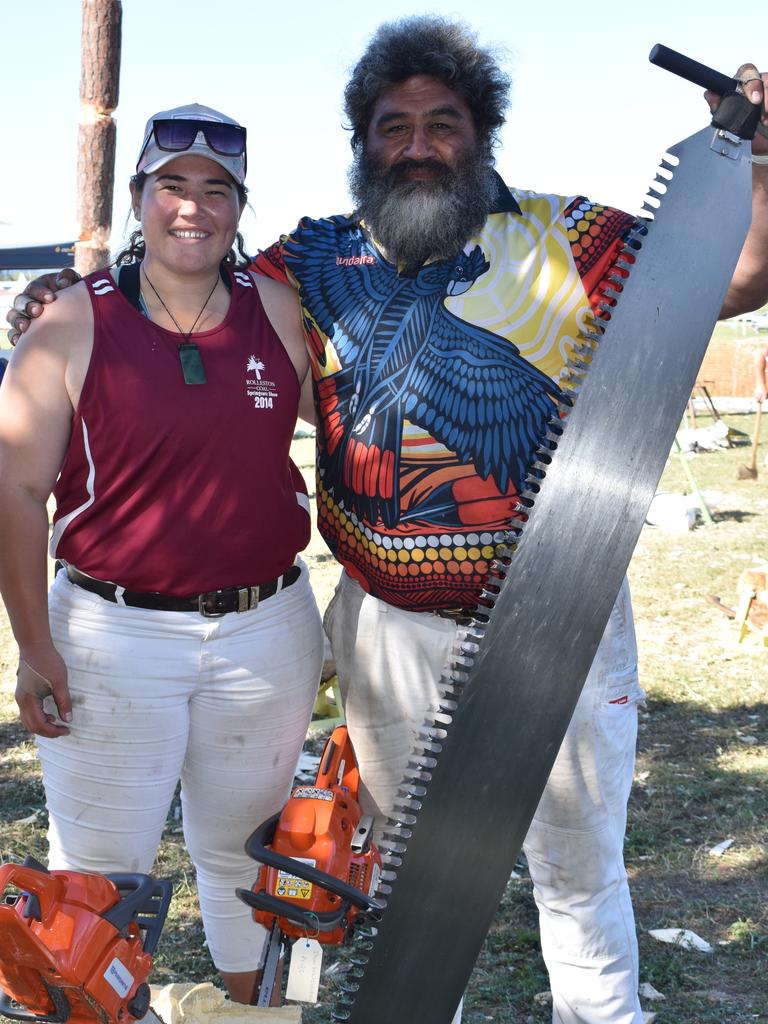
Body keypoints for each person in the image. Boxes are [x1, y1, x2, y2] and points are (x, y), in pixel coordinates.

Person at [7, 21, 768, 1024]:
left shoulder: (570, 236)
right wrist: (78, 297)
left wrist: (750, 162)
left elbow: (727, 278)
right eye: (391, 125)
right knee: (414, 889)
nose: (415, 143)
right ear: (362, 142)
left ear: (480, 133)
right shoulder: (311, 261)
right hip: (389, 628)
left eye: (440, 123)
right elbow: (192, 275)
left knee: (578, 871)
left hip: (565, 617)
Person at [0, 104, 324, 1006]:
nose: (194, 207)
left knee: (252, 854)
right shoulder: (69, 322)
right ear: (140, 199)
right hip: (113, 633)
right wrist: (34, 646)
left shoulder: (279, 310)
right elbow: (16, 492)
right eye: (172, 187)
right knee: (100, 875)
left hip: (265, 627)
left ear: (239, 205)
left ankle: (250, 1014)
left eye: (216, 190)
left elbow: (346, 429)